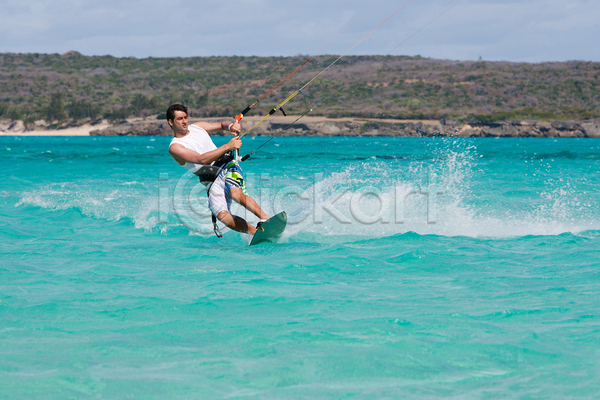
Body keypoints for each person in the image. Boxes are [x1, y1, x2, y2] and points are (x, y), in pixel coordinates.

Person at [166, 103, 269, 236]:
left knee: (236, 194)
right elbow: (201, 159)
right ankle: (256, 233)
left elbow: (221, 124)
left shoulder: (197, 127)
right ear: (170, 122)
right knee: (222, 216)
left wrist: (231, 126)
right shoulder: (175, 147)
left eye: (185, 117)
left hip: (226, 166)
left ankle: (265, 218)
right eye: (179, 119)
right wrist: (228, 146)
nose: (184, 121)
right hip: (211, 180)